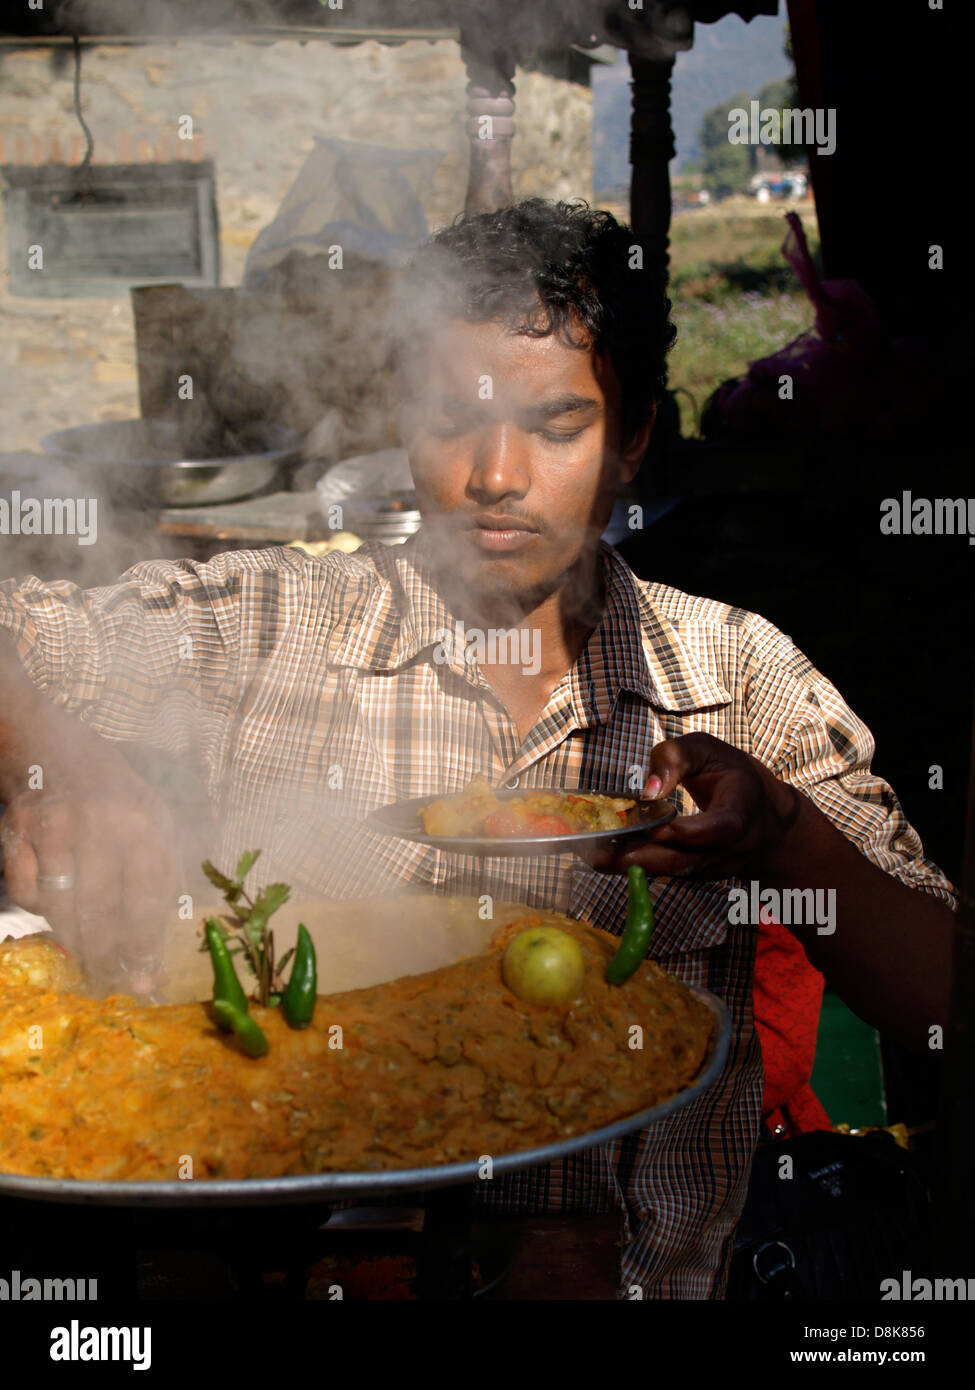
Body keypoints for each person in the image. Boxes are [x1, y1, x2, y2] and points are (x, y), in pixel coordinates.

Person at [0, 199, 956, 1298]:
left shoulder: (742, 681)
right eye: (454, 418)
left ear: (634, 436)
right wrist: (63, 763)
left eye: (557, 427)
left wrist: (788, 834)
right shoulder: (275, 626)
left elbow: (938, 1003)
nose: (496, 474)